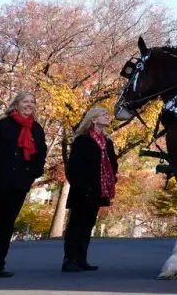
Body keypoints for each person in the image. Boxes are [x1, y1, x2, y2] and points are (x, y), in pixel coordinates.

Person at [0, 91, 47, 280]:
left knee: (7, 224)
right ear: (16, 104)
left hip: (19, 184)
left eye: (32, 102)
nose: (29, 105)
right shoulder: (2, 126)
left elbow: (40, 155)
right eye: (25, 101)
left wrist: (33, 174)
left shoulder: (37, 129)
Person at [62, 106, 118, 272]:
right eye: (103, 114)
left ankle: (81, 259)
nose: (108, 116)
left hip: (98, 189)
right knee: (76, 224)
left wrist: (111, 178)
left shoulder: (107, 142)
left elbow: (113, 163)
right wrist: (81, 184)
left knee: (88, 223)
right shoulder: (82, 140)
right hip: (82, 189)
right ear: (93, 119)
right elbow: (73, 167)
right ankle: (69, 260)